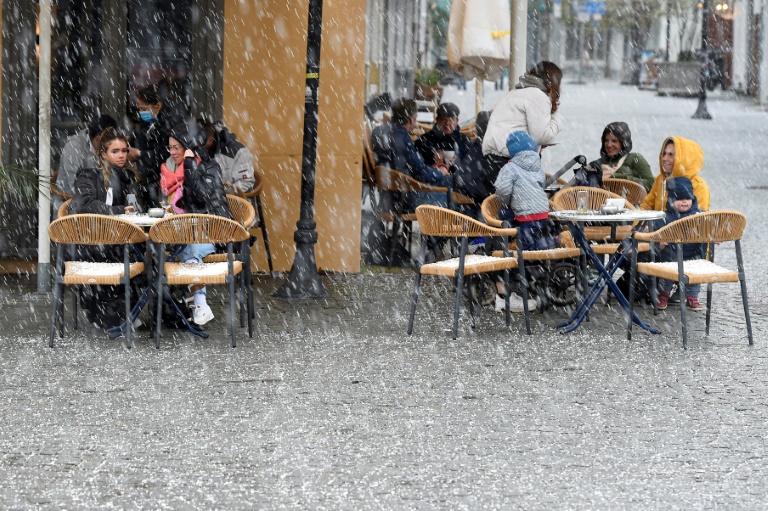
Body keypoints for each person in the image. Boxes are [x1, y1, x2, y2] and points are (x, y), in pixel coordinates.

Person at [70, 128, 143, 330]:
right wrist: (118, 211)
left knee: (150, 257)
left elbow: (135, 205)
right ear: (103, 153)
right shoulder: (88, 174)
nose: (121, 155)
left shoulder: (126, 176)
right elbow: (85, 205)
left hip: (118, 239)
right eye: (115, 151)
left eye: (124, 151)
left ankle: (133, 310)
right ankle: (113, 314)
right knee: (133, 256)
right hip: (91, 243)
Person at [161, 121, 233, 326]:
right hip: (185, 230)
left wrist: (190, 165)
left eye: (177, 147)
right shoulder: (172, 171)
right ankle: (182, 303)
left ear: (189, 147)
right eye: (170, 147)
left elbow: (202, 196)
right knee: (160, 251)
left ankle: (199, 303)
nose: (172, 152)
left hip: (213, 230)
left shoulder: (210, 167)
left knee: (190, 249)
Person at [491, 131, 550, 313]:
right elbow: (542, 183)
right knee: (533, 243)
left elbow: (502, 189)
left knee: (524, 250)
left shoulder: (510, 168)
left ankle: (515, 277)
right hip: (542, 214)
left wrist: (507, 201)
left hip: (526, 216)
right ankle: (543, 253)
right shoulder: (537, 165)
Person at [483, 61, 564, 181]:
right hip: (509, 161)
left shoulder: (515, 93)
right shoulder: (537, 96)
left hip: (492, 161)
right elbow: (541, 136)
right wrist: (557, 119)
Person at [370, 97, 453, 209]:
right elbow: (421, 174)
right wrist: (440, 172)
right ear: (411, 120)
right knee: (453, 192)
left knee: (452, 183)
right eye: (415, 118)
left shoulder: (378, 131)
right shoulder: (402, 138)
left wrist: (431, 170)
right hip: (405, 199)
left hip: (388, 196)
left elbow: (408, 166)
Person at [130, 83, 185, 207]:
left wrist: (141, 154)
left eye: (144, 108)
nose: (141, 112)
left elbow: (166, 153)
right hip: (145, 178)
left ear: (158, 106)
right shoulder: (144, 123)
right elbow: (139, 139)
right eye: (139, 109)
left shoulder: (170, 124)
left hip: (162, 179)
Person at [655, 177, 704, 311]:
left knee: (695, 274)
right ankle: (663, 295)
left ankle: (692, 297)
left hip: (692, 253)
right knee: (666, 274)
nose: (685, 202)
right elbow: (656, 233)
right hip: (671, 253)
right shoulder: (665, 217)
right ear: (671, 200)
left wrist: (713, 236)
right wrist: (660, 243)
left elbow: (709, 227)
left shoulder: (699, 215)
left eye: (688, 198)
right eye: (680, 199)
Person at [55, 114, 117, 210]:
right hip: (70, 205)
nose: (114, 144)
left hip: (98, 200)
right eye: (111, 140)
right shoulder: (74, 147)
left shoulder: (102, 148)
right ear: (98, 139)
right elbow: (75, 187)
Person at [641, 137, 710, 212]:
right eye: (664, 154)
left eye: (670, 154)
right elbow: (646, 205)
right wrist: (638, 217)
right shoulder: (662, 179)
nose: (664, 159)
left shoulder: (699, 186)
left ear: (684, 158)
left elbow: (699, 218)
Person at [592, 122, 654, 191]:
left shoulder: (635, 158)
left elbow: (651, 185)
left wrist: (618, 177)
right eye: (606, 141)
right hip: (602, 198)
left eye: (614, 141)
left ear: (624, 143)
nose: (609, 145)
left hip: (629, 198)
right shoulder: (597, 163)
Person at [199, 119, 256, 194]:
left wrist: (220, 193)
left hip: (232, 198)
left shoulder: (239, 151)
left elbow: (245, 183)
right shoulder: (196, 150)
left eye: (199, 142)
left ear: (210, 140)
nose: (196, 145)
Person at [415, 102, 472, 169]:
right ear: (437, 120)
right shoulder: (424, 140)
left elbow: (471, 163)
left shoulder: (464, 141)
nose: (447, 123)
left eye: (451, 120)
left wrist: (457, 161)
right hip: (431, 174)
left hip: (458, 175)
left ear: (457, 121)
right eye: (443, 119)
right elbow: (416, 163)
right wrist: (432, 157)